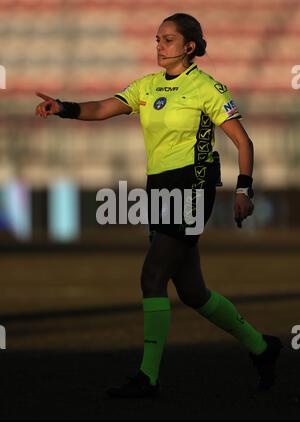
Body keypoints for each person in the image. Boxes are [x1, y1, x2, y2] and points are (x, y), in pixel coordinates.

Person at [35, 13, 283, 399]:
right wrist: (64, 107)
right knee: (192, 291)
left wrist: (243, 190)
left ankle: (147, 378)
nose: (159, 46)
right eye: (156, 39)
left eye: (168, 40)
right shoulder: (147, 86)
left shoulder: (207, 88)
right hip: (159, 190)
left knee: (152, 275)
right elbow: (103, 108)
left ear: (189, 46)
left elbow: (244, 142)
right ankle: (262, 347)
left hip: (192, 188)